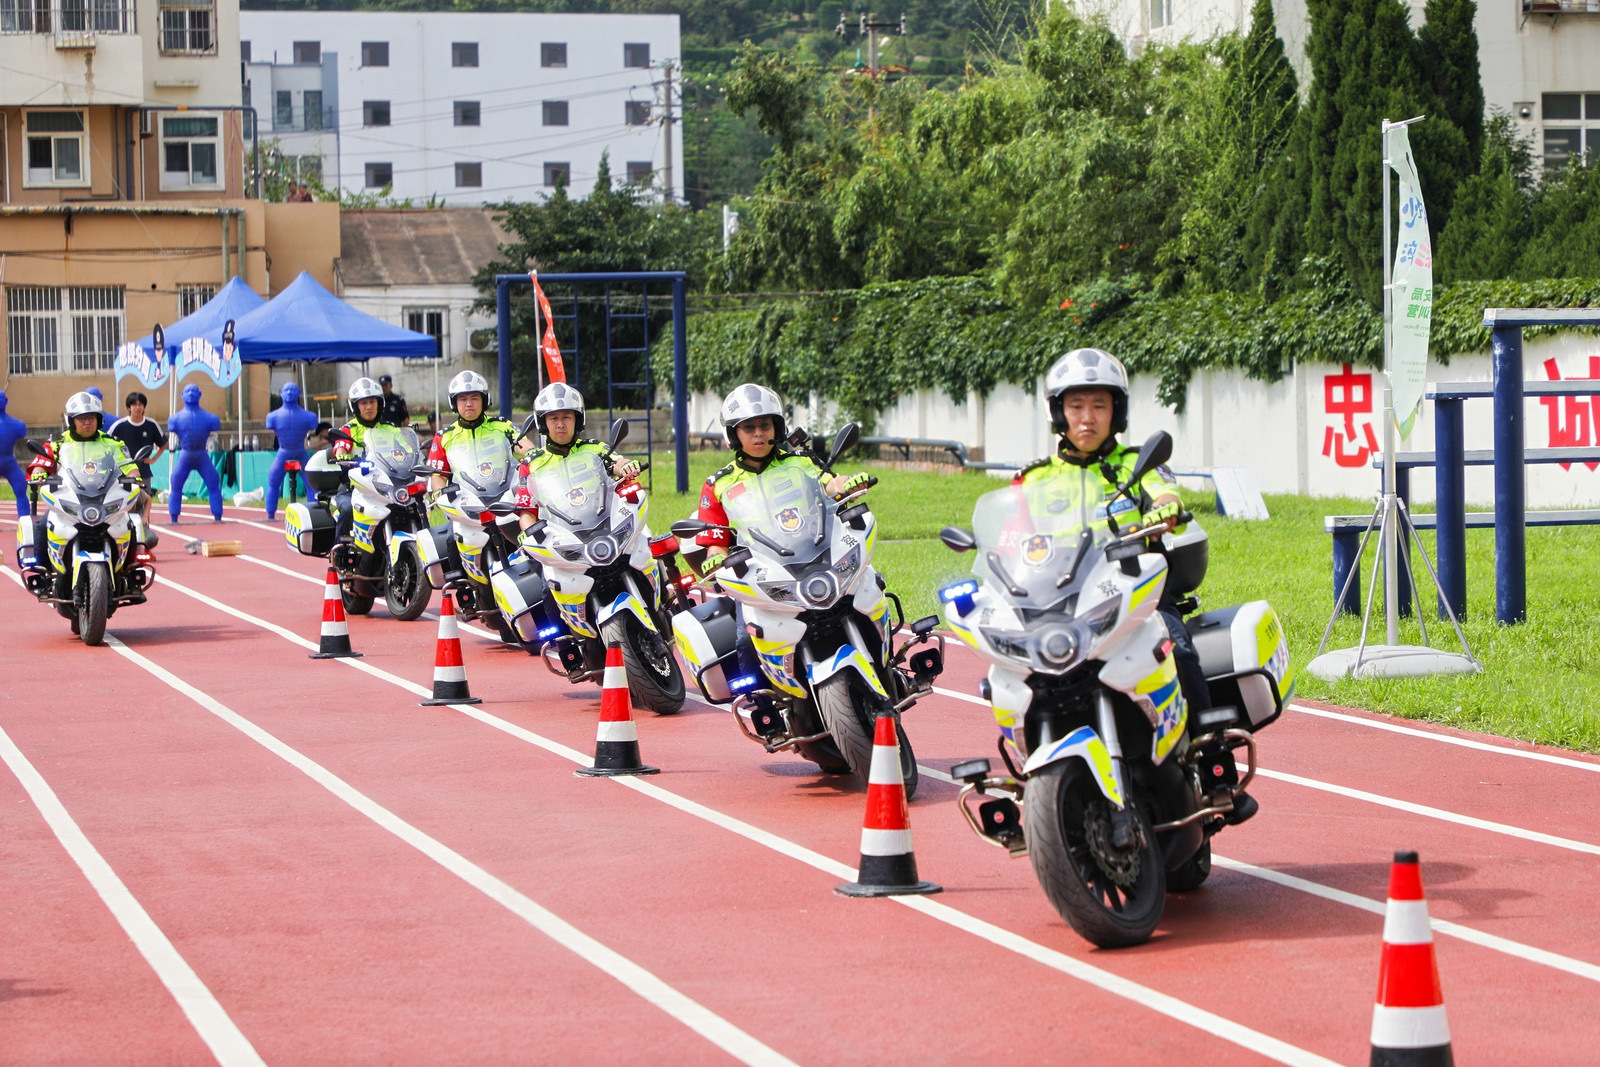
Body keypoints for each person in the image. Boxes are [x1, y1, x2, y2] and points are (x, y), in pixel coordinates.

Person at [1020, 347, 1255, 824]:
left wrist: (1164, 510)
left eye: (1099, 405)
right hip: (1064, 606)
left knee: (1179, 650)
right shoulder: (1035, 478)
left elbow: (1166, 493)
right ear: (1058, 412)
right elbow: (1011, 535)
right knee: (1018, 676)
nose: (1087, 418)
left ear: (1117, 411)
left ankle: (1214, 765)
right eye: (1076, 405)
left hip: (1136, 596)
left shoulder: (1138, 464)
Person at [693, 383, 868, 571]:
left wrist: (849, 484)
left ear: (776, 427)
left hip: (816, 552)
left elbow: (832, 484)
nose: (758, 433)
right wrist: (715, 559)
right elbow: (717, 544)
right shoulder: (719, 485)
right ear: (733, 434)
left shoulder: (800, 463)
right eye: (749, 427)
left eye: (765, 425)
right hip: (759, 570)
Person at [26, 391, 142, 563]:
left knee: (129, 523)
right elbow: (42, 461)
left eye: (91, 417)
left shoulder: (112, 442)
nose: (87, 422)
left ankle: (131, 568)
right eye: (81, 418)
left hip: (105, 495)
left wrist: (134, 476)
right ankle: (42, 569)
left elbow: (128, 465)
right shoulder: (58, 441)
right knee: (44, 524)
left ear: (99, 420)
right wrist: (39, 472)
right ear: (71, 420)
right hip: (70, 495)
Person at [513, 382, 640, 530]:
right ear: (543, 423)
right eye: (553, 418)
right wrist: (530, 535)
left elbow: (617, 462)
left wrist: (626, 466)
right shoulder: (530, 464)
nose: (560, 424)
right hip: (558, 535)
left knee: (644, 539)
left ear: (577, 420)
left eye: (566, 417)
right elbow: (527, 512)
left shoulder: (594, 449)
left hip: (605, 526)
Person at [327, 377, 386, 541]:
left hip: (384, 488)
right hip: (353, 488)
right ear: (355, 406)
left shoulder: (390, 429)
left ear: (379, 403)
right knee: (347, 509)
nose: (369, 407)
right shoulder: (348, 430)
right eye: (363, 403)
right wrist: (342, 454)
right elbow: (341, 447)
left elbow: (406, 449)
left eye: (372, 401)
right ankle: (340, 551)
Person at [107, 391, 166, 536]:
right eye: (134, 405)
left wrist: (153, 459)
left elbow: (164, 443)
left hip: (143, 472)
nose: (137, 407)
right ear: (128, 407)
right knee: (123, 505)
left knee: (144, 503)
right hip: (123, 474)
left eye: (140, 404)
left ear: (144, 406)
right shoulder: (120, 425)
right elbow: (106, 444)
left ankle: (144, 536)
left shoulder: (151, 424)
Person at [264, 382, 320, 520]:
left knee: (312, 482)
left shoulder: (309, 416)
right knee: (273, 480)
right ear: (281, 393)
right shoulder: (272, 417)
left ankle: (314, 513)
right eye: (286, 390)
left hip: (300, 452)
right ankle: (270, 513)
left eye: (292, 390)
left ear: (299, 393)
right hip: (284, 452)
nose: (289, 393)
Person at [167, 383, 222, 523]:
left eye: (193, 391)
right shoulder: (175, 419)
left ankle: (217, 515)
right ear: (182, 395)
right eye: (187, 391)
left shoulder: (211, 418)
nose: (190, 394)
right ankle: (174, 516)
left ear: (200, 394)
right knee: (176, 482)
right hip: (186, 454)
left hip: (201, 455)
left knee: (213, 481)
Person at [0, 390, 29, 519]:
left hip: (9, 462)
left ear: (6, 401)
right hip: (8, 461)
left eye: (2, 398)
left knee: (21, 488)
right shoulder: (17, 425)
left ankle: (25, 521)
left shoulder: (17, 425)